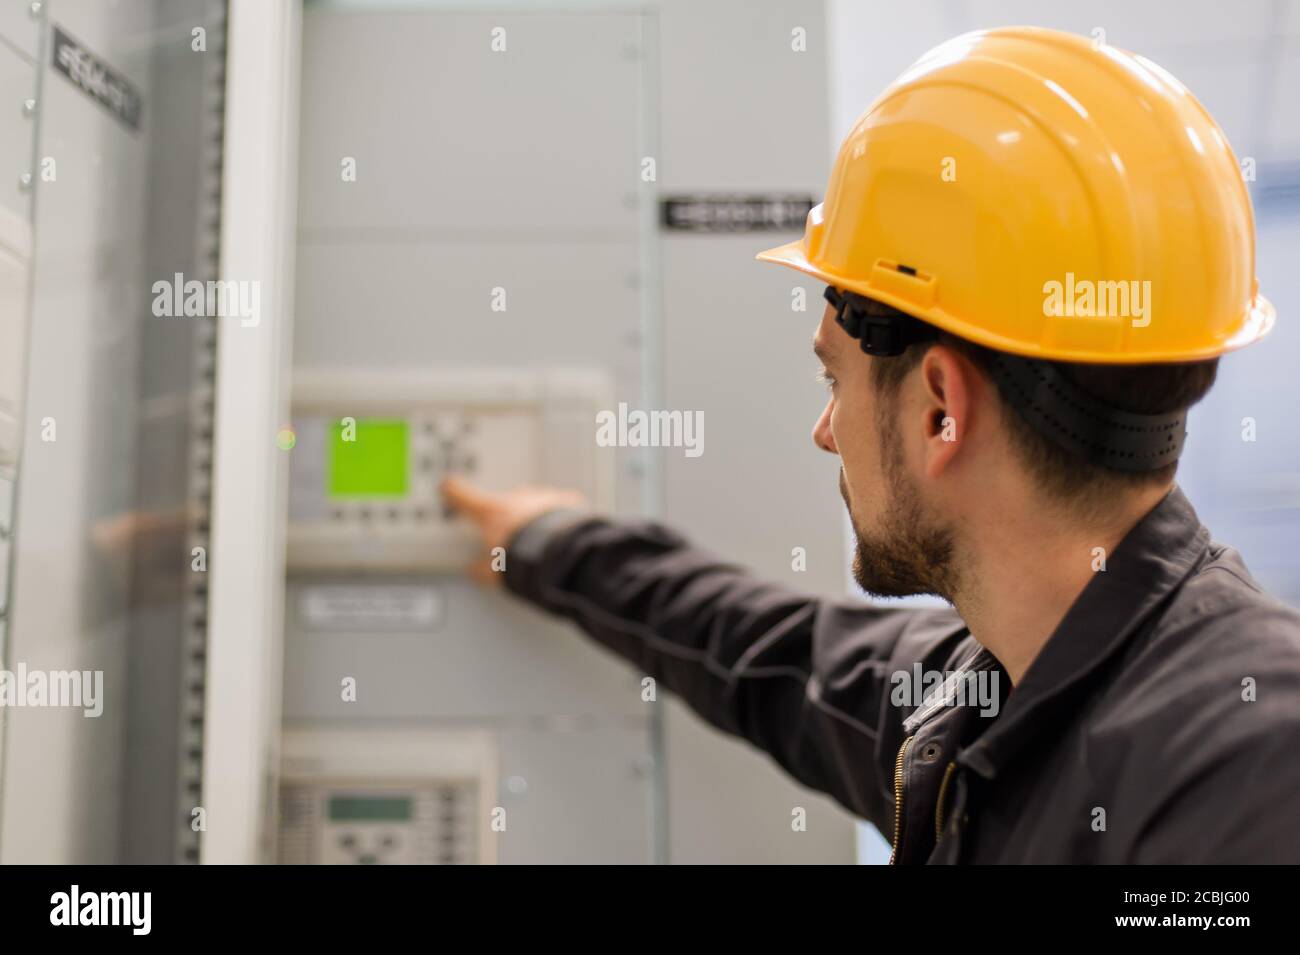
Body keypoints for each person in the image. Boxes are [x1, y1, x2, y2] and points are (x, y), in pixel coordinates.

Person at [442, 26, 1300, 863]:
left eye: (833, 383)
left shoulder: (1250, 769)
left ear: (940, 411)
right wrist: (550, 543)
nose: (825, 431)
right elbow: (767, 654)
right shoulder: (988, 688)